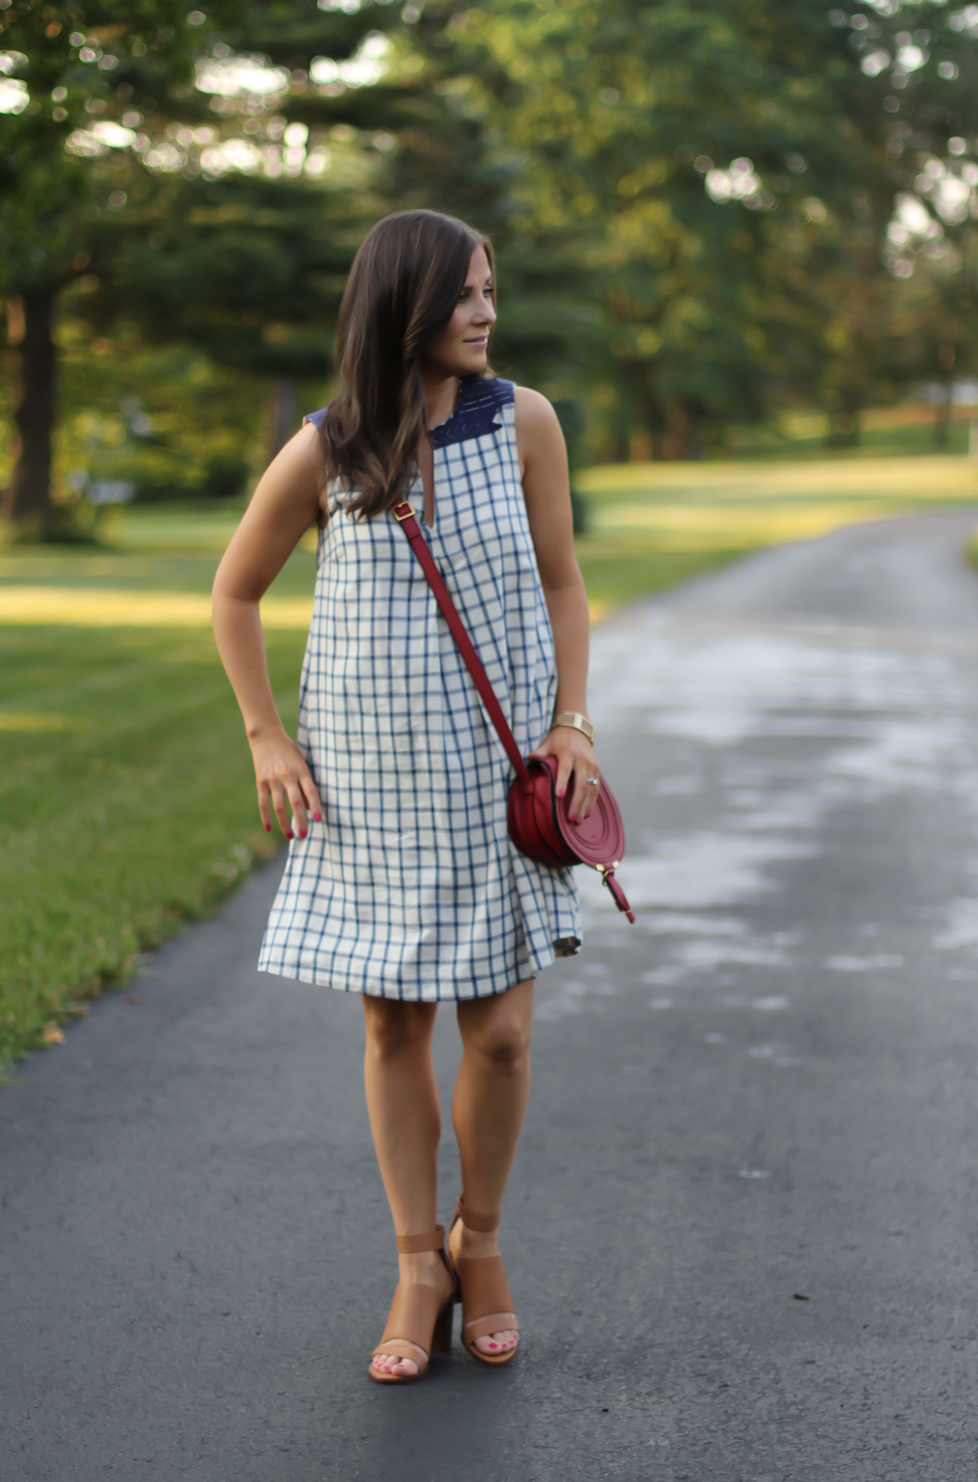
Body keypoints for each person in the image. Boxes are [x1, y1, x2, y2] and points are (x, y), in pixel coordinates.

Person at [212, 209, 600, 1384]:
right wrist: (265, 735)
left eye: (493, 290)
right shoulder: (328, 447)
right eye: (468, 294)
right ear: (405, 306)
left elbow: (565, 582)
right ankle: (414, 1263)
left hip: (501, 773)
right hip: (372, 778)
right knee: (394, 1024)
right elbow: (234, 595)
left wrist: (571, 722)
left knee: (506, 1034)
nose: (489, 312)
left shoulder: (525, 421)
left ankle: (477, 1240)